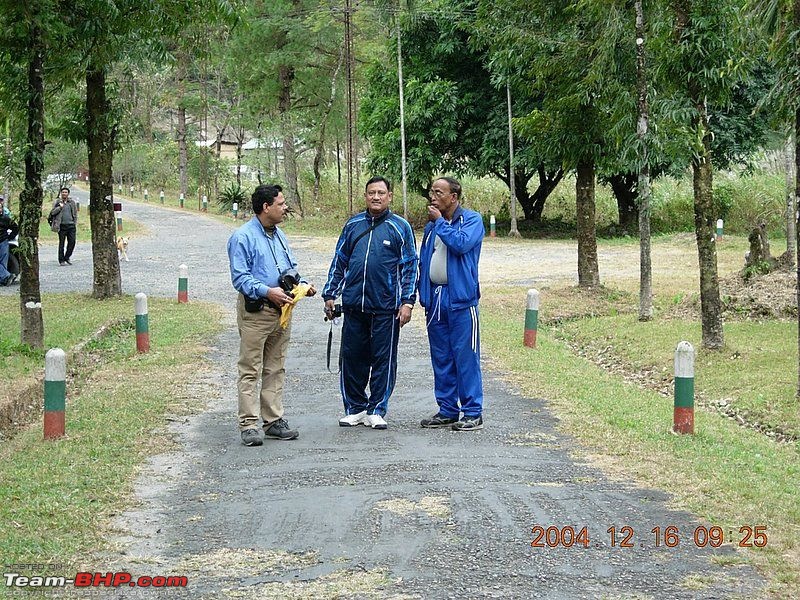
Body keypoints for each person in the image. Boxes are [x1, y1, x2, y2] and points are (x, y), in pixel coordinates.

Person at [322, 176, 418, 429]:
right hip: (354, 306)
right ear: (365, 196)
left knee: (383, 360)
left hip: (386, 308)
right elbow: (340, 261)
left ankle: (377, 408)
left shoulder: (400, 227)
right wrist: (330, 294)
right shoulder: (352, 225)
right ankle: (355, 408)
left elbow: (410, 267)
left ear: (390, 196)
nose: (376, 197)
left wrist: (407, 302)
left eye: (381, 193)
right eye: (371, 193)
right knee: (352, 359)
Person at [227, 184, 316, 447]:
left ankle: (273, 420)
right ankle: (249, 424)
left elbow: (290, 269)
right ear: (266, 207)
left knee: (276, 366)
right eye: (281, 203)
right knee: (250, 368)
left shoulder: (280, 235)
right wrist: (268, 292)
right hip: (257, 311)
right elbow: (240, 278)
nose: (285, 207)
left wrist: (303, 285)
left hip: (282, 312)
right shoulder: (242, 237)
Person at [418, 177, 485, 431]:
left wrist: (440, 224)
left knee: (465, 356)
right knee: (442, 356)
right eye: (431, 191)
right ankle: (447, 409)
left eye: (439, 192)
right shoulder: (431, 228)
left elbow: (460, 244)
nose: (432, 197)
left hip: (461, 300)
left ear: (453, 197)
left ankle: (472, 412)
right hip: (435, 299)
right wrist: (422, 292)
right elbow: (425, 260)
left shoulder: (471, 220)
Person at [48, 187, 78, 266]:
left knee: (72, 242)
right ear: (61, 193)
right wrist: (59, 207)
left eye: (66, 192)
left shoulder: (71, 202)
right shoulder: (57, 202)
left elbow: (75, 213)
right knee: (62, 243)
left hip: (71, 225)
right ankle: (61, 260)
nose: (64, 193)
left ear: (68, 193)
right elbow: (52, 213)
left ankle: (67, 257)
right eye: (63, 192)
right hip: (61, 226)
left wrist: (74, 223)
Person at [0, 197, 19, 286]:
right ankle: (7, 276)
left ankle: (4, 279)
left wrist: (10, 236)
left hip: (3, 241)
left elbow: (15, 227)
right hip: (3, 241)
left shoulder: (5, 218)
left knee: (3, 262)